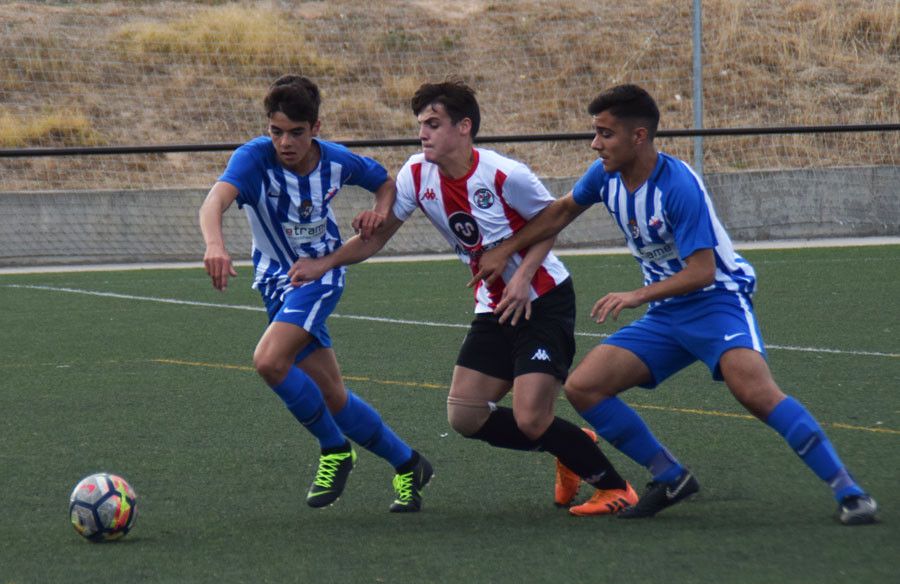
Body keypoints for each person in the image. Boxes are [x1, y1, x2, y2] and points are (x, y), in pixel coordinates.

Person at [470, 83, 878, 525]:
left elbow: (703, 270)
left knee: (756, 393)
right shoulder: (604, 176)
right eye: (596, 132)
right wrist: (506, 248)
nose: (595, 143)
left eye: (605, 134)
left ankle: (850, 492)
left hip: (716, 301)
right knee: (585, 387)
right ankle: (670, 476)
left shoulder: (678, 185)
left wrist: (635, 295)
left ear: (638, 137)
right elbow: (561, 211)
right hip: (667, 314)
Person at [290, 79, 636, 516]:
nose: (423, 133)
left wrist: (522, 274)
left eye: (433, 124)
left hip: (543, 299)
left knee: (531, 416)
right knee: (466, 416)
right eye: (421, 124)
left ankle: (615, 487)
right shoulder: (416, 173)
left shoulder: (505, 174)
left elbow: (552, 220)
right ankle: (569, 444)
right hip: (492, 306)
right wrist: (326, 263)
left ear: (464, 127)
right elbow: (375, 239)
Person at [199, 74, 432, 513]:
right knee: (333, 396)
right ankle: (409, 464)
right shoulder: (253, 159)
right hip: (274, 282)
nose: (285, 142)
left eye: (296, 132)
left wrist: (379, 212)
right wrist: (215, 243)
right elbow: (213, 203)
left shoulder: (337, 161)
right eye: (276, 131)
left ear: (316, 128)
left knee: (269, 361)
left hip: (319, 276)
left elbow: (386, 182)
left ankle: (335, 449)